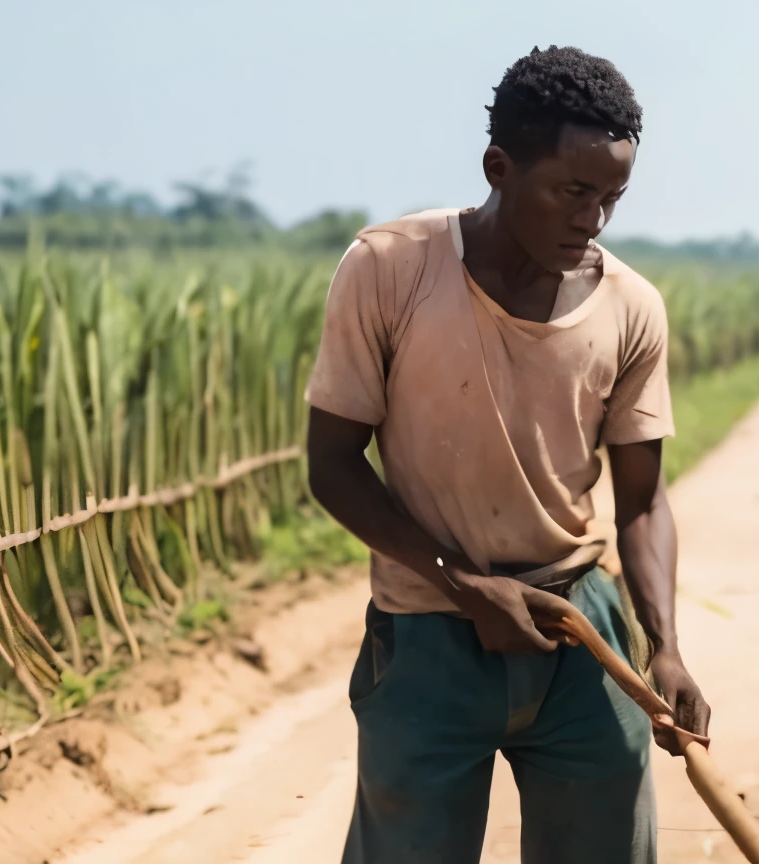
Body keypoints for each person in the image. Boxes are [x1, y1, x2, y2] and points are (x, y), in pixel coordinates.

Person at [304, 45, 710, 864]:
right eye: (571, 191)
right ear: (499, 166)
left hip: (581, 639)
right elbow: (333, 463)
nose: (591, 219)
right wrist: (463, 582)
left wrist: (662, 646)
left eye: (610, 198)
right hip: (426, 631)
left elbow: (641, 502)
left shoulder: (631, 308)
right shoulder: (391, 269)